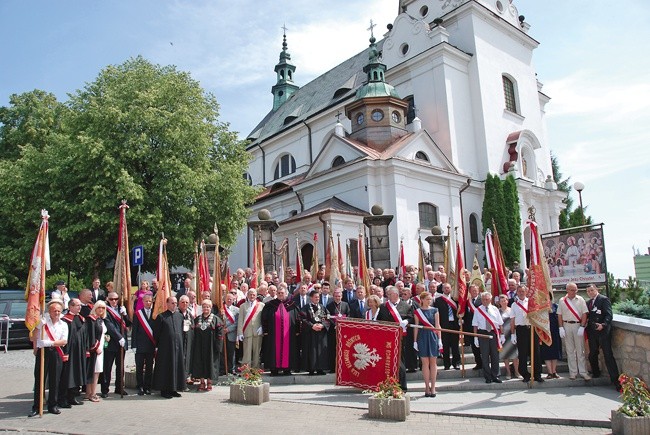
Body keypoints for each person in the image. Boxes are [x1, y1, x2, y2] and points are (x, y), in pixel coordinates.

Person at [29, 299, 68, 417]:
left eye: (58, 311)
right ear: (49, 311)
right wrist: (37, 327)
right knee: (40, 379)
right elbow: (33, 337)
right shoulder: (43, 322)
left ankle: (53, 405)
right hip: (43, 353)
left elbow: (64, 341)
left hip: (56, 353)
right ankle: (37, 406)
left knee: (55, 380)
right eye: (54, 310)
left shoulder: (64, 324)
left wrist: (47, 343)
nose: (56, 313)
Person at [378, 286, 413, 392]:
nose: (387, 297)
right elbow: (380, 320)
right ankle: (389, 385)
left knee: (400, 361)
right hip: (388, 337)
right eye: (387, 295)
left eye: (389, 295)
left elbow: (411, 317)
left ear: (396, 295)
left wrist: (406, 322)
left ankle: (402, 386)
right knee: (388, 361)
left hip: (401, 338)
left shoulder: (406, 306)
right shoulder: (384, 306)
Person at [586, 284, 620, 389]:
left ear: (596, 290)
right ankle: (596, 373)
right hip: (592, 331)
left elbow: (609, 314)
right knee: (592, 353)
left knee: (607, 354)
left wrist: (603, 325)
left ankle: (616, 381)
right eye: (588, 291)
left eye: (592, 290)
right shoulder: (588, 303)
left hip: (603, 331)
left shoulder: (603, 299)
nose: (590, 292)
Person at [262, 286, 300, 375]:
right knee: (273, 350)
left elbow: (297, 319)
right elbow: (264, 319)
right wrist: (266, 331)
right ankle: (274, 369)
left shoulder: (292, 305)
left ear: (286, 294)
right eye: (278, 293)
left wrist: (297, 331)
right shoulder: (270, 305)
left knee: (289, 350)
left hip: (288, 334)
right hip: (273, 334)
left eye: (282, 293)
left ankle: (287, 369)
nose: (280, 294)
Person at [153, 296, 186, 398]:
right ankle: (164, 390)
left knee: (176, 367)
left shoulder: (180, 316)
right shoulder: (161, 317)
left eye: (176, 303)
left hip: (178, 347)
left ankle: (174, 389)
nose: (174, 305)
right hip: (165, 348)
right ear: (167, 304)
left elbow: (182, 331)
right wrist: (159, 345)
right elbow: (156, 334)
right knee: (166, 368)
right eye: (172, 303)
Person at [557, 282, 591, 380]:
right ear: (567, 290)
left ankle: (583, 372)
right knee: (570, 350)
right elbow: (559, 314)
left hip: (577, 325)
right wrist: (561, 327)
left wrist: (582, 326)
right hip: (567, 325)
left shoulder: (580, 299)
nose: (574, 292)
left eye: (576, 290)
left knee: (580, 351)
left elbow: (584, 313)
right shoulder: (562, 300)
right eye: (572, 290)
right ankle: (573, 372)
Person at [510, 285, 543, 383]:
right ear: (517, 292)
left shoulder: (532, 302)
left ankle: (537, 374)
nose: (521, 293)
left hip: (532, 329)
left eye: (523, 291)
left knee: (535, 353)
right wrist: (513, 333)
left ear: (526, 291)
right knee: (522, 353)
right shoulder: (514, 305)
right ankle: (525, 374)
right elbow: (512, 320)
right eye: (519, 291)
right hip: (521, 329)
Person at [58, 298, 87, 408]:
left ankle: (72, 396)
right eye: (76, 305)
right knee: (67, 375)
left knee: (76, 374)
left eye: (80, 305)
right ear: (70, 307)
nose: (79, 307)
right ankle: (63, 398)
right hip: (69, 351)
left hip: (79, 351)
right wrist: (65, 352)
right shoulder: (66, 320)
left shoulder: (81, 318)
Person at [412, 292, 442, 397]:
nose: (429, 301)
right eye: (427, 299)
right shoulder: (417, 312)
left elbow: (438, 325)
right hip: (422, 336)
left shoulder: (435, 310)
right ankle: (426, 387)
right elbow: (416, 326)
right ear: (422, 300)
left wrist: (440, 339)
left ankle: (433, 387)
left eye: (430, 299)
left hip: (433, 336)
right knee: (425, 363)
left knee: (433, 362)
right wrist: (415, 341)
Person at [101, 292, 129, 397]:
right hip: (111, 342)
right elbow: (110, 326)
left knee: (120, 367)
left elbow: (129, 323)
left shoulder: (121, 309)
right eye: (112, 299)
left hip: (122, 344)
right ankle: (105, 389)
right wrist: (119, 337)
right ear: (108, 299)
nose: (114, 301)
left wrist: (125, 314)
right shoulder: (106, 310)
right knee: (107, 367)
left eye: (116, 299)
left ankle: (119, 387)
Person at [191, 299, 224, 391]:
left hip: (211, 347)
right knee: (200, 363)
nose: (206, 308)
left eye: (208, 307)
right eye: (204, 306)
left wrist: (218, 347)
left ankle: (209, 382)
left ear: (211, 308)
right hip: (199, 346)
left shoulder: (216, 319)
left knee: (210, 363)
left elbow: (220, 334)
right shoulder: (197, 319)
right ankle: (202, 382)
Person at [473, 291, 505, 384]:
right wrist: (475, 337)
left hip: (493, 333)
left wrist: (502, 335)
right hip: (482, 334)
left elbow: (500, 323)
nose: (485, 301)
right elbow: (475, 325)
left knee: (495, 355)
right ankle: (487, 376)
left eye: (486, 299)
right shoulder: (478, 310)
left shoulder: (495, 309)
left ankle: (496, 375)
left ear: (490, 299)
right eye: (483, 299)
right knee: (485, 356)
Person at [300, 290, 331, 375]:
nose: (317, 298)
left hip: (321, 333)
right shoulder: (306, 308)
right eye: (315, 297)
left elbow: (328, 318)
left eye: (318, 297)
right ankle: (311, 369)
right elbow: (303, 319)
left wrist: (323, 325)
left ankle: (321, 368)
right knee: (311, 350)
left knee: (321, 350)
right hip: (311, 333)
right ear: (311, 298)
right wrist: (312, 326)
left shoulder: (323, 307)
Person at [132, 293, 156, 395]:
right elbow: (134, 331)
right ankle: (140, 386)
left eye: (150, 301)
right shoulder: (138, 314)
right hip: (140, 346)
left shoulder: (155, 314)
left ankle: (147, 387)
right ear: (142, 302)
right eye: (146, 301)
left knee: (150, 367)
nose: (148, 303)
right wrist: (134, 346)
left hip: (151, 345)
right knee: (139, 367)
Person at [434, 283, 461, 370]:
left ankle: (456, 363)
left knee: (455, 345)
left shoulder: (455, 299)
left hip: (454, 324)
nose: (446, 289)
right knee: (445, 345)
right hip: (444, 325)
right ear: (442, 289)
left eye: (448, 288)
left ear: (451, 289)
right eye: (445, 288)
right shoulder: (438, 300)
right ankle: (446, 364)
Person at [237, 288, 265, 369]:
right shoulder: (242, 306)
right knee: (247, 352)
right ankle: (246, 370)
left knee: (257, 352)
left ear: (256, 296)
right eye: (250, 294)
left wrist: (262, 328)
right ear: (247, 295)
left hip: (257, 332)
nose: (252, 296)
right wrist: (240, 333)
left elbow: (264, 319)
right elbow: (240, 320)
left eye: (253, 295)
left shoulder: (261, 305)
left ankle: (256, 370)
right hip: (247, 332)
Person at [85, 301, 107, 402]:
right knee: (94, 371)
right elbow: (90, 335)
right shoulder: (91, 319)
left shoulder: (100, 320)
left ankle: (90, 392)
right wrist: (94, 347)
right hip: (95, 349)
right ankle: (92, 393)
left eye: (103, 308)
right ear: (95, 308)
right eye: (99, 307)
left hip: (100, 348)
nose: (101, 310)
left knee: (96, 371)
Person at [325, 289, 349, 371]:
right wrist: (335, 325)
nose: (337, 298)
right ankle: (332, 367)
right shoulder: (329, 305)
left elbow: (348, 316)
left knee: (343, 348)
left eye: (339, 296)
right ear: (333, 296)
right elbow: (328, 317)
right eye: (336, 296)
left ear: (341, 296)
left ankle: (342, 367)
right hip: (333, 330)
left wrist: (342, 324)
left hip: (343, 330)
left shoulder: (346, 305)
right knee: (332, 348)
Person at [540, 291, 562, 379]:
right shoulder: (541, 308)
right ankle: (549, 372)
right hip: (545, 332)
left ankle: (554, 371)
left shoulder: (556, 306)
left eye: (548, 297)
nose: (547, 299)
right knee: (547, 352)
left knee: (555, 351)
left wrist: (561, 328)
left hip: (555, 331)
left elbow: (560, 317)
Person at [497, 294, 520, 379]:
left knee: (515, 354)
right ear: (499, 302)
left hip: (512, 334)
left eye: (505, 300)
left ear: (507, 301)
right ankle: (508, 372)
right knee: (505, 354)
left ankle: (517, 372)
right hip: (503, 335)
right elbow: (498, 324)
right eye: (502, 301)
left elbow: (514, 321)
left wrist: (514, 333)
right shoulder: (498, 311)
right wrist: (501, 335)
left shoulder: (511, 310)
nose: (504, 302)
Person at [464, 285, 483, 371]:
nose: (474, 292)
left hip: (481, 327)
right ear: (470, 292)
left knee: (483, 347)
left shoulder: (482, 300)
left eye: (475, 290)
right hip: (470, 327)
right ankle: (478, 363)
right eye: (472, 291)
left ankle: (485, 364)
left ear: (478, 291)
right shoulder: (467, 301)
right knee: (474, 348)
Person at [177, 294, 195, 386]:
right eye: (182, 302)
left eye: (187, 302)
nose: (185, 304)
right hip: (179, 342)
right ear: (179, 303)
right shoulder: (176, 314)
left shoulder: (189, 315)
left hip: (188, 341)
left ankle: (187, 377)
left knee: (187, 359)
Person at [222, 293, 239, 375]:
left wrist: (228, 329)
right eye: (227, 299)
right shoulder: (221, 308)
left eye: (230, 299)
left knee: (231, 353)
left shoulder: (237, 310)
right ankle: (223, 369)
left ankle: (231, 369)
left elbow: (237, 323)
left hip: (231, 334)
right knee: (222, 353)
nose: (229, 300)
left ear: (233, 300)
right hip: (222, 334)